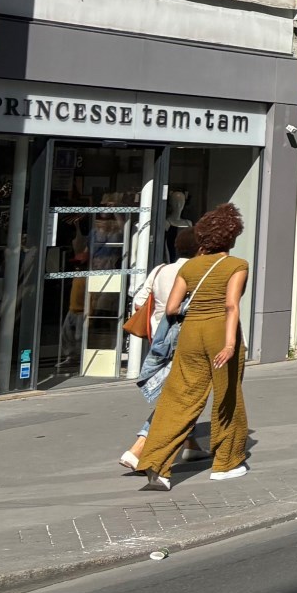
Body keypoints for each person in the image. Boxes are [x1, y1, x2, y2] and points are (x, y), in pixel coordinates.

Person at [133, 204, 250, 487]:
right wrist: (230, 344)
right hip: (219, 332)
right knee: (227, 397)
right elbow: (231, 306)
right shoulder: (237, 265)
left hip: (190, 334)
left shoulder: (190, 266)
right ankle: (226, 462)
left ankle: (156, 466)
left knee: (179, 397)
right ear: (231, 237)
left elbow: (172, 307)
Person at [119, 231, 200, 473]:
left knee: (181, 391)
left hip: (158, 340)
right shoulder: (195, 273)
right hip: (183, 341)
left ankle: (192, 445)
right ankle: (138, 448)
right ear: (200, 249)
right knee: (180, 395)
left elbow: (138, 302)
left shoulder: (160, 270)